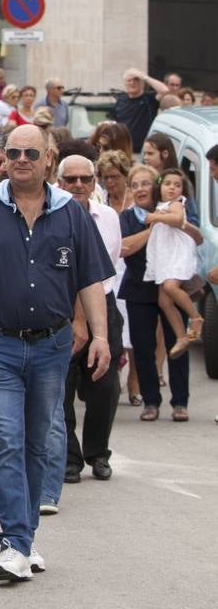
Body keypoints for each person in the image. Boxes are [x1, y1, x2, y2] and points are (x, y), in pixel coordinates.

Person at [0, 124, 114, 582]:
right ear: (1, 158)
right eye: (14, 152)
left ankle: (26, 539)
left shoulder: (71, 213)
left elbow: (90, 281)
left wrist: (99, 336)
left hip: (52, 346)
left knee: (39, 445)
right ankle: (14, 544)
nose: (22, 159)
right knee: (4, 441)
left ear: (48, 160)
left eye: (31, 153)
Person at [40, 156, 123, 512]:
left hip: (101, 302)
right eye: (70, 179)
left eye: (84, 179)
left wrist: (93, 323)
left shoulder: (108, 217)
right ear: (58, 180)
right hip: (59, 304)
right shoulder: (51, 213)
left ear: (94, 181)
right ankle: (69, 459)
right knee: (62, 385)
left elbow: (106, 269)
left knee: (106, 384)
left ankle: (97, 453)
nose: (77, 185)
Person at [120, 164, 201, 422]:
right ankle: (151, 402)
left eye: (146, 183)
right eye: (135, 185)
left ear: (156, 187)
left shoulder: (171, 207)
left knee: (177, 342)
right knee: (143, 347)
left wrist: (170, 220)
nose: (141, 189)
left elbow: (197, 236)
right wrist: (153, 226)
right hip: (139, 287)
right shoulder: (128, 217)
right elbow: (125, 248)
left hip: (171, 284)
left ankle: (180, 402)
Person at [145, 167, 203, 358]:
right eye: (168, 184)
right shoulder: (162, 205)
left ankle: (195, 317)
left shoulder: (177, 203)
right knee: (164, 300)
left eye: (177, 185)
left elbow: (177, 219)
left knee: (171, 287)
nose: (172, 188)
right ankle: (181, 336)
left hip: (178, 253)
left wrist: (155, 217)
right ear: (160, 186)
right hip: (165, 255)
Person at [107, 68, 169, 152]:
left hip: (143, 151)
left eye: (136, 80)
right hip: (122, 150)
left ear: (142, 83)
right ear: (125, 83)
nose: (132, 83)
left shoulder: (149, 99)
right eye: (129, 80)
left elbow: (164, 90)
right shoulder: (121, 100)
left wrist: (145, 77)